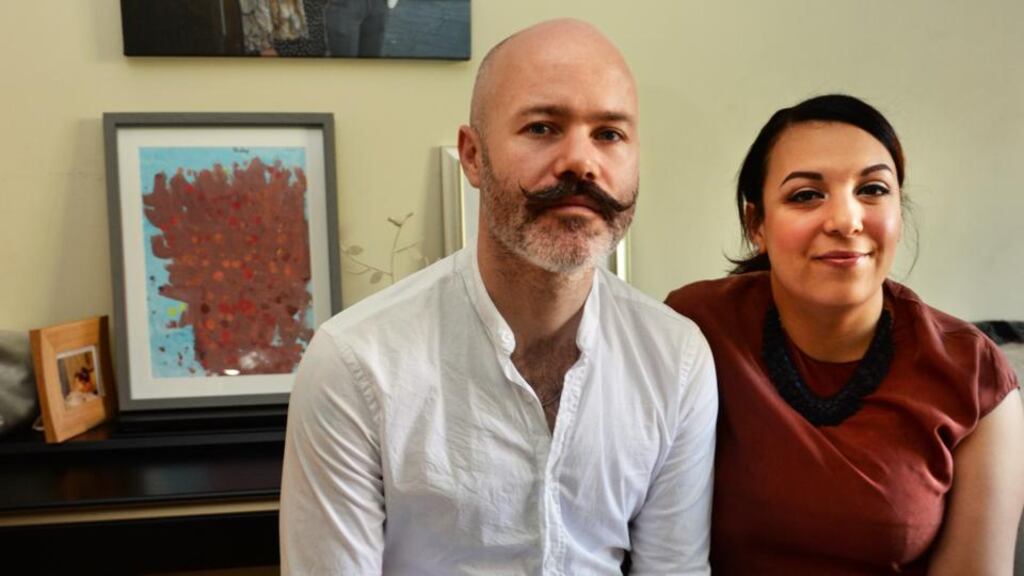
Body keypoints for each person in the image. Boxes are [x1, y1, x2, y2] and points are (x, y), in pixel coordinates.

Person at [280, 18, 718, 575]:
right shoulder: (354, 364)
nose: (581, 162)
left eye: (609, 134)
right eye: (541, 128)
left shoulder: (675, 358)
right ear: (472, 156)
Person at [665, 94, 1024, 575]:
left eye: (873, 189)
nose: (845, 220)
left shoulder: (973, 375)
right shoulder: (694, 330)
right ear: (758, 225)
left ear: (899, 211)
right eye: (806, 195)